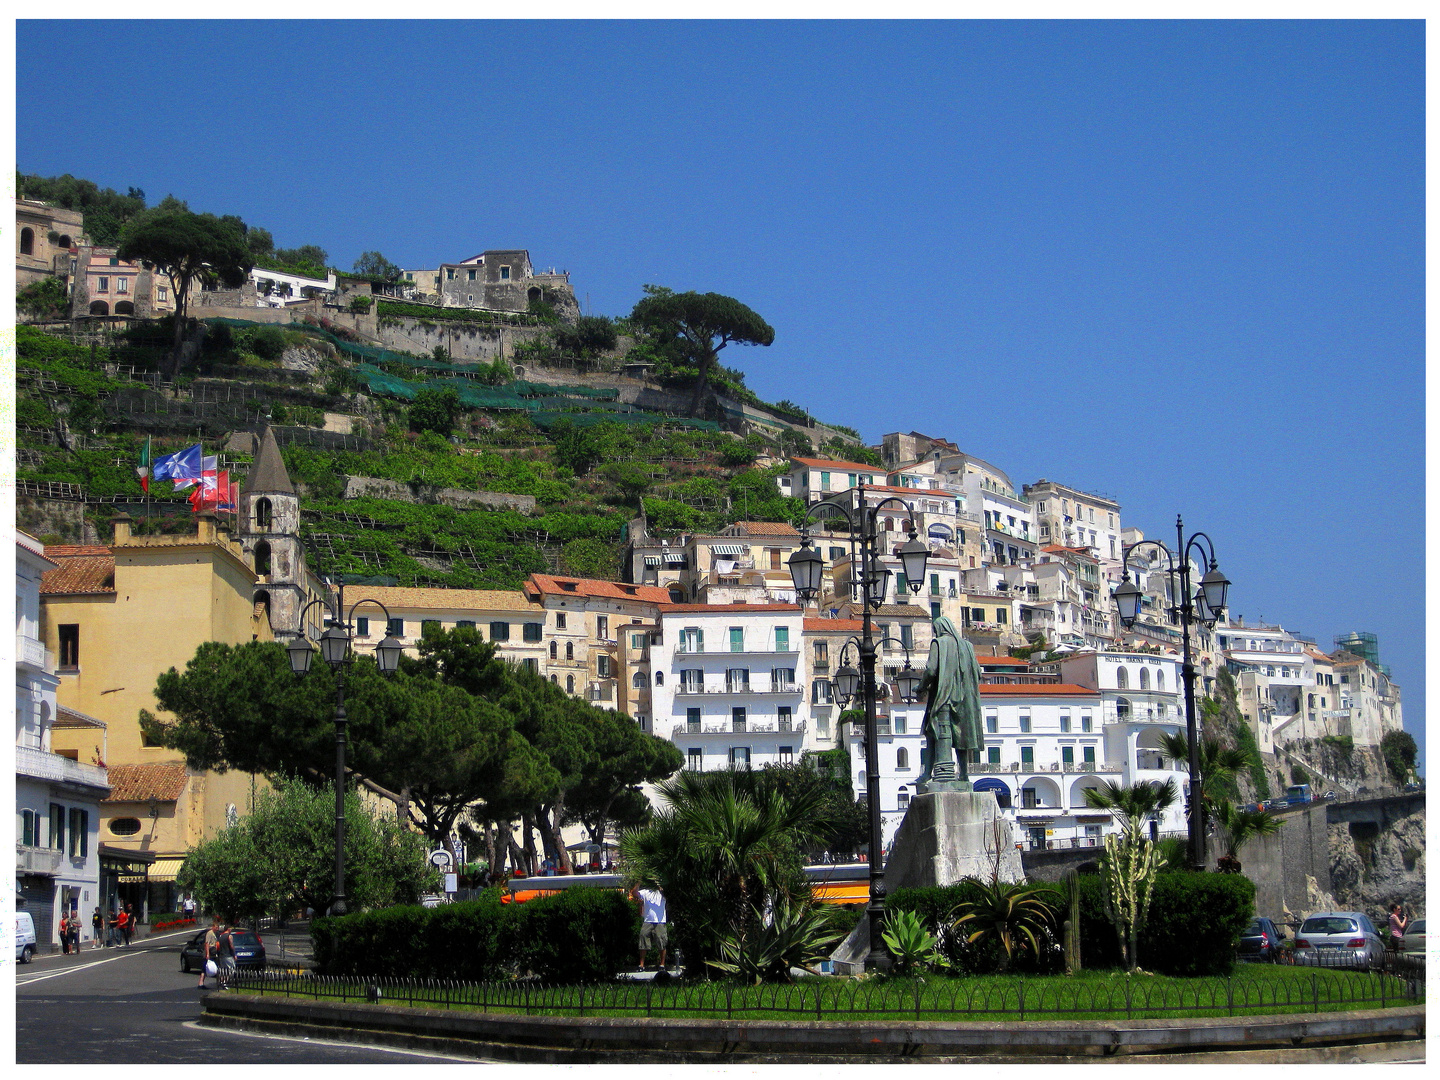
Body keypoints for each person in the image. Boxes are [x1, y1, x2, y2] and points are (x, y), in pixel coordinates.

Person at [914, 615, 983, 792]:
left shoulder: (939, 643)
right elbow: (978, 672)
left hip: (943, 697)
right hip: (965, 700)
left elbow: (931, 669)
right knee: (962, 737)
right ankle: (964, 775)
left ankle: (928, 773)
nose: (935, 632)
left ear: (939, 629)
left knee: (932, 732)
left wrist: (921, 687)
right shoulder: (968, 646)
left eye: (935, 630)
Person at [632, 880, 667, 972]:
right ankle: (641, 965)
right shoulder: (646, 892)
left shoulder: (662, 893)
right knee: (643, 939)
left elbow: (668, 895)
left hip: (660, 921)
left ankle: (662, 965)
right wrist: (638, 882)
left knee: (661, 942)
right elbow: (634, 893)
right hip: (648, 921)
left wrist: (660, 888)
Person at [199, 917, 220, 989]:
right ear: (213, 927)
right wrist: (207, 954)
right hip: (209, 953)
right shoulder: (209, 933)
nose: (218, 929)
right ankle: (200, 983)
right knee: (204, 969)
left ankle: (218, 983)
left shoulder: (215, 933)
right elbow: (207, 944)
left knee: (215, 968)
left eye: (218, 927)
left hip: (213, 952)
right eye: (217, 927)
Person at [215, 921, 236, 989]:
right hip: (228, 955)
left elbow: (217, 946)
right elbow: (231, 946)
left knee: (224, 970)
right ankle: (225, 982)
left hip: (222, 956)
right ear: (228, 929)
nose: (231, 930)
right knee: (231, 970)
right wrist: (234, 954)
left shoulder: (221, 936)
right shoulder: (229, 936)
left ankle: (221, 982)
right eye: (231, 929)